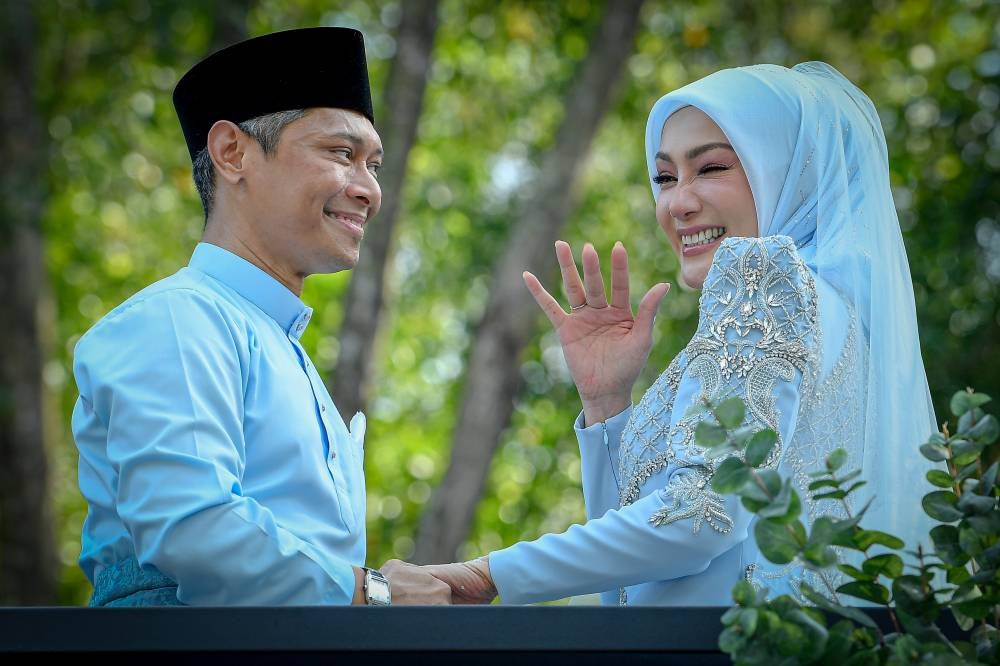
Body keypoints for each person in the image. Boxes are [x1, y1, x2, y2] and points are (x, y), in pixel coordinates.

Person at [421, 62, 937, 606]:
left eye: (710, 168)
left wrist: (489, 573)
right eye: (665, 177)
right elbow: (630, 580)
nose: (678, 203)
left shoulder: (761, 274)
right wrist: (606, 404)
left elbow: (700, 518)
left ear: (787, 172)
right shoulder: (839, 313)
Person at [71, 27, 450, 606]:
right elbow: (195, 528)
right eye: (342, 154)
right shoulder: (176, 320)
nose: (371, 190)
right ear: (233, 153)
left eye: (374, 164)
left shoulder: (276, 344)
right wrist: (373, 592)